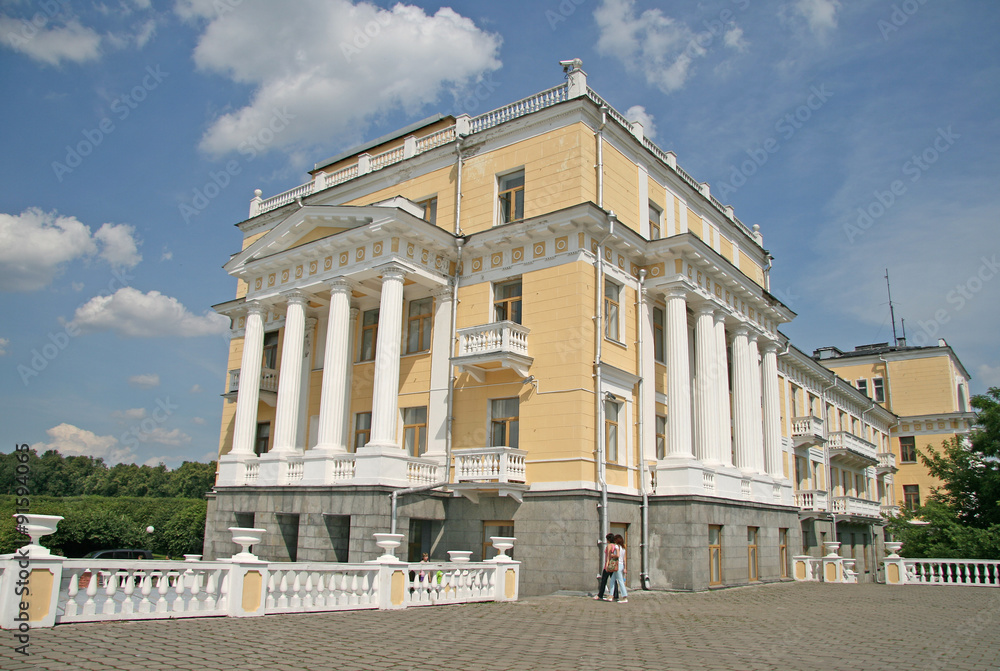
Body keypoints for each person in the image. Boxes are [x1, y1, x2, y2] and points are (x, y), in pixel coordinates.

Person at [594, 533, 619, 601]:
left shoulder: (609, 546)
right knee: (614, 580)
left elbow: (608, 556)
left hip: (608, 565)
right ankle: (616, 595)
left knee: (604, 580)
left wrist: (607, 565)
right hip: (613, 565)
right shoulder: (615, 546)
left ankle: (600, 595)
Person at [611, 534, 627, 603]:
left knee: (620, 581)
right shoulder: (623, 548)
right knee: (612, 580)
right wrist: (625, 568)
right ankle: (611, 595)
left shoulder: (617, 546)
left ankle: (624, 596)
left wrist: (612, 555)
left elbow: (617, 555)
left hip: (617, 564)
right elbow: (624, 559)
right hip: (621, 565)